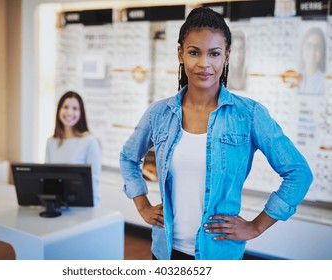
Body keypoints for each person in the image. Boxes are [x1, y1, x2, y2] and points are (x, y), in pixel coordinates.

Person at [119, 7, 313, 260]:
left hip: (219, 255)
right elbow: (128, 158)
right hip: (165, 251)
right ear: (180, 54)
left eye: (214, 53)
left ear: (227, 56)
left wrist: (256, 226)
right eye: (194, 52)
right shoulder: (159, 113)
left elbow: (299, 173)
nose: (204, 64)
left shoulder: (249, 115)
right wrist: (142, 205)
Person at [45, 91, 101, 206]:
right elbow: (47, 178)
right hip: (58, 205)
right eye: (65, 107)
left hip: (84, 206)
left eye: (75, 108)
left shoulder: (90, 142)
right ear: (59, 110)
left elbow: (93, 182)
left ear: (81, 113)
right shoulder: (51, 142)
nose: (69, 112)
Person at [298, 27, 326, 95]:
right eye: (308, 45)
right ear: (302, 48)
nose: (312, 51)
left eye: (317, 47)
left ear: (322, 51)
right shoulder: (294, 77)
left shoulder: (324, 82)